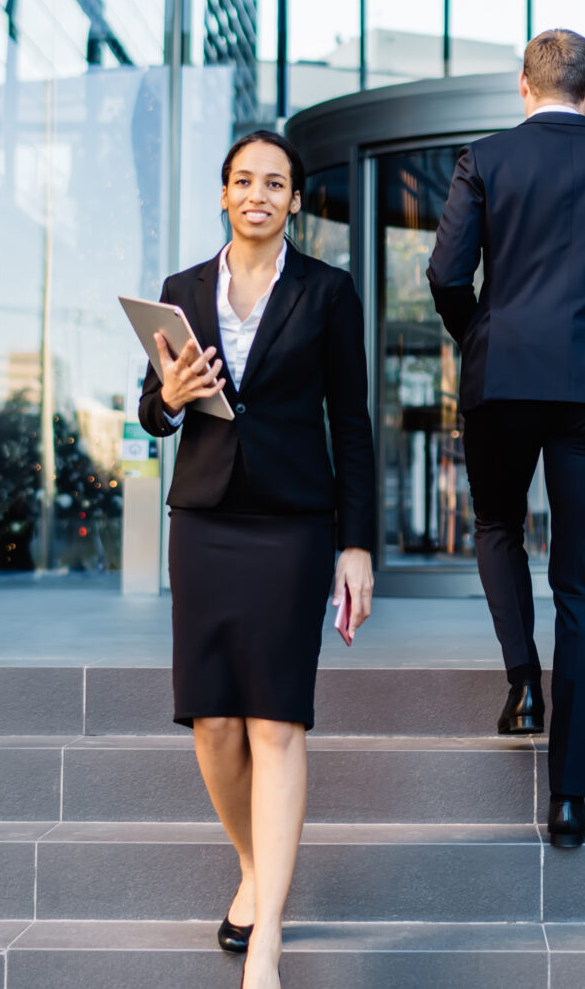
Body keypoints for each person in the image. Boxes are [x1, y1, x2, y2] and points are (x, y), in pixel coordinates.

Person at [139, 129, 376, 988]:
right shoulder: (180, 292)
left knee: (276, 720)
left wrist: (357, 545)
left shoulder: (329, 292)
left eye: (275, 184)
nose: (258, 195)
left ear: (296, 200)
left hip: (292, 528)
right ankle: (252, 864)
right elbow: (153, 413)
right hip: (203, 519)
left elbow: (351, 422)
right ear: (225, 192)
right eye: (244, 181)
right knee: (212, 722)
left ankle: (267, 934)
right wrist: (165, 400)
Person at [426, 29, 585, 849]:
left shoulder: (485, 160)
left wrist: (482, 338)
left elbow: (446, 276)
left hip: (504, 380)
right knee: (584, 585)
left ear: (522, 86)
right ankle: (569, 799)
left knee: (497, 525)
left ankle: (523, 684)